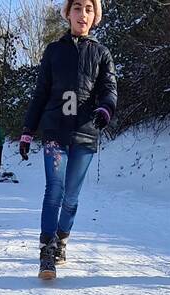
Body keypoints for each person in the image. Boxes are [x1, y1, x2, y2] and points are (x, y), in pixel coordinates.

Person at [18, 0, 117, 280]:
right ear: (68, 13)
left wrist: (105, 108)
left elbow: (109, 88)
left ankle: (61, 240)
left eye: (88, 8)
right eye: (77, 8)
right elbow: (40, 93)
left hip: (85, 133)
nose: (82, 14)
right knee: (55, 190)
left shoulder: (101, 54)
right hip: (55, 132)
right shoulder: (53, 51)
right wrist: (28, 130)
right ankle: (46, 250)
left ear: (95, 15)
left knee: (71, 197)